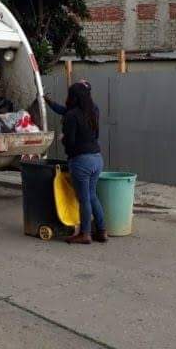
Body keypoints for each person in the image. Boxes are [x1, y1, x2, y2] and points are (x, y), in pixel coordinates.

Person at [61, 82, 107, 244]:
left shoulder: (71, 115)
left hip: (81, 161)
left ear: (72, 97)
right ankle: (101, 231)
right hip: (97, 158)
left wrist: (63, 139)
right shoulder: (94, 111)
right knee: (92, 195)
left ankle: (85, 234)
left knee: (84, 198)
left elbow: (70, 142)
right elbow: (96, 134)